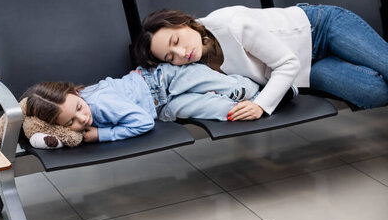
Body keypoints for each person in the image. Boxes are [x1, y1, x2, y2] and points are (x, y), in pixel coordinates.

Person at [133, 6, 388, 118]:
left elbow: (286, 63)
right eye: (170, 57)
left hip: (320, 27)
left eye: (176, 41)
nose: (180, 54)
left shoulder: (231, 25)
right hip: (308, 70)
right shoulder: (198, 65)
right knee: (375, 93)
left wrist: (261, 106)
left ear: (184, 22)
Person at [22, 62, 265, 142]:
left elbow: (143, 122)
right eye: (71, 122)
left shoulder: (99, 104)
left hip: (163, 81)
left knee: (229, 86)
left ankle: (266, 91)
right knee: (220, 109)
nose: (83, 118)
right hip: (164, 108)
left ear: (75, 92)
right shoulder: (66, 112)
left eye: (78, 108)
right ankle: (245, 103)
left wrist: (101, 134)